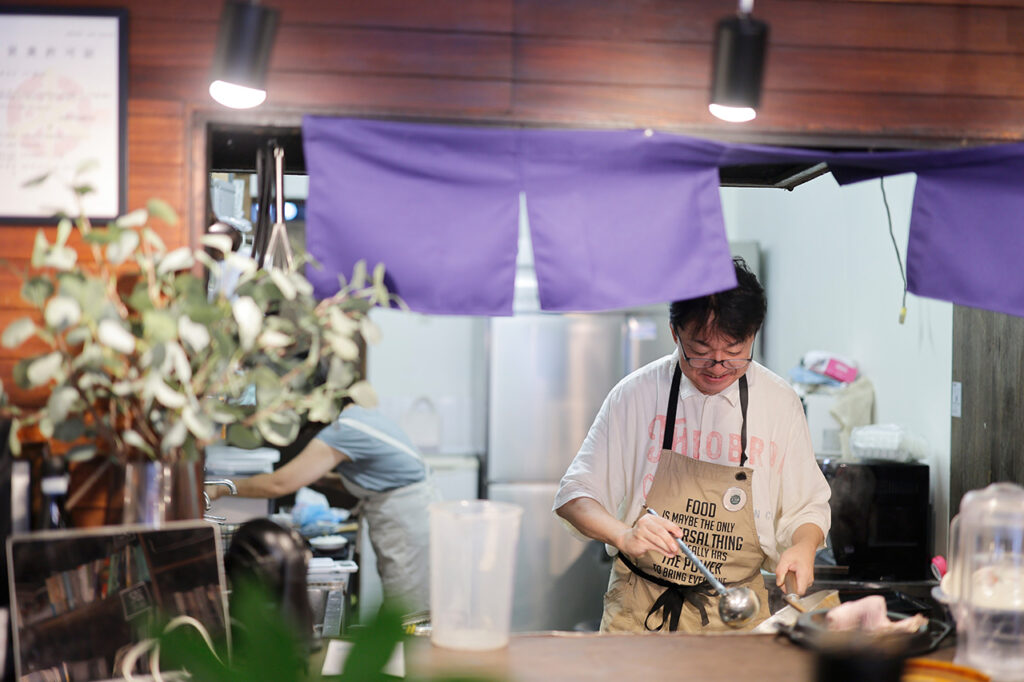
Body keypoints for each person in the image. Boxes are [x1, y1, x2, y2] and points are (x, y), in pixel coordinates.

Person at [553, 257, 830, 633]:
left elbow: (808, 505)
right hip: (639, 610)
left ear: (754, 335)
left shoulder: (778, 402)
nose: (717, 366)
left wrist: (803, 545)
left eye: (734, 352)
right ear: (674, 333)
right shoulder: (635, 395)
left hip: (736, 615)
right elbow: (574, 496)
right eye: (700, 351)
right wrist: (624, 535)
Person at [206, 402, 441, 615]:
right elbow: (378, 475)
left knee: (409, 610)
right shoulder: (360, 417)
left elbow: (279, 483)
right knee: (410, 603)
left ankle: (416, 662)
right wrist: (324, 478)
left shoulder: (342, 431)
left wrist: (222, 488)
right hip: (414, 513)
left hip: (407, 522)